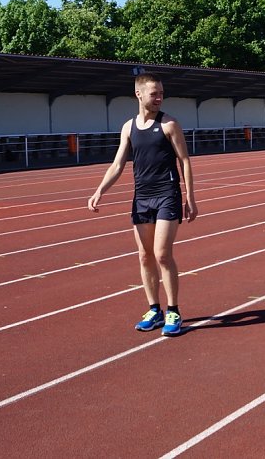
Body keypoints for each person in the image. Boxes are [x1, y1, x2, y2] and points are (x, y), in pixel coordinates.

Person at [88, 72, 198, 336]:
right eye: (154, 93)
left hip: (167, 194)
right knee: (144, 255)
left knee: (162, 254)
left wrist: (190, 197)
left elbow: (184, 161)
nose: (159, 97)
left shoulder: (169, 124)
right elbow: (117, 164)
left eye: (161, 93)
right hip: (142, 197)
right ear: (138, 94)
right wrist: (99, 191)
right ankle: (154, 309)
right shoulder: (129, 127)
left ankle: (173, 311)